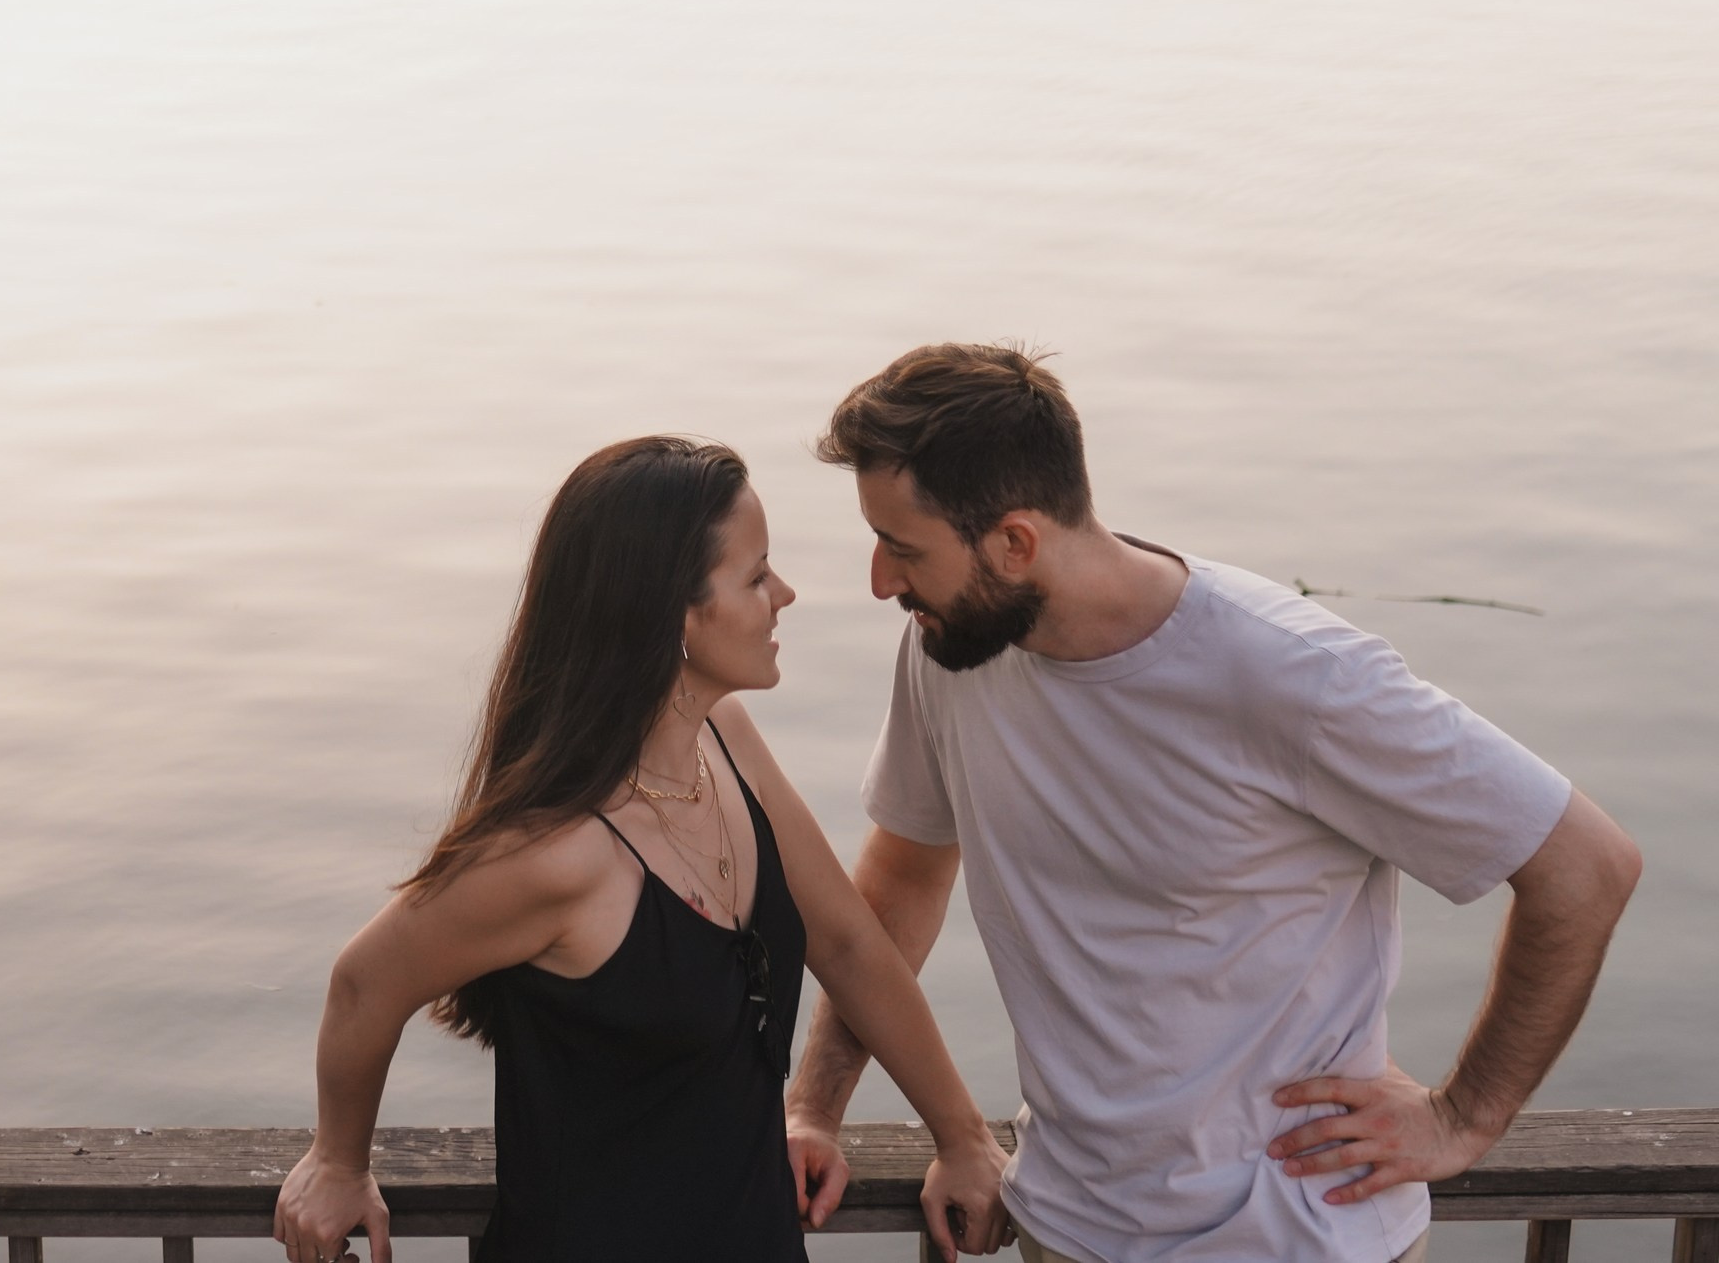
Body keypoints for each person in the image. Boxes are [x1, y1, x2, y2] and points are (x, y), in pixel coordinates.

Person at [782, 344, 1645, 1263]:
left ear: (1016, 541)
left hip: (1298, 1241)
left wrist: (1463, 1114)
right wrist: (816, 1105)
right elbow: (902, 883)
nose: (880, 580)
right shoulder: (951, 648)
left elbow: (1585, 866)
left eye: (903, 548)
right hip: (1070, 1229)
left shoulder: (1292, 675)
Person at [273, 435, 1012, 1263]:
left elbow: (846, 943)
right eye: (757, 575)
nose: (786, 593)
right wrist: (338, 1161)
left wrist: (962, 1135)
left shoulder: (724, 741)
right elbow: (364, 982)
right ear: (677, 616)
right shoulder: (554, 851)